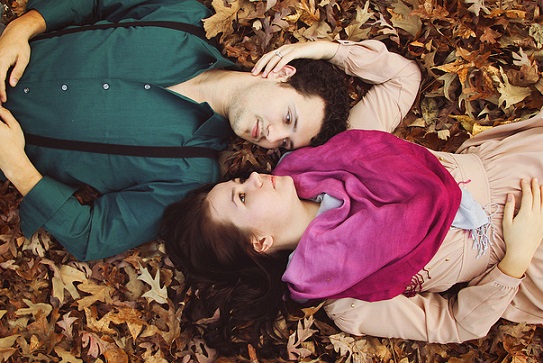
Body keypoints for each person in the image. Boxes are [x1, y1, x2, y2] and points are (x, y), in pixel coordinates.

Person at [161, 42, 543, 352]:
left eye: (241, 181)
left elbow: (400, 77)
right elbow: (456, 323)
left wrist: (321, 50)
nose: (257, 177)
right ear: (261, 243)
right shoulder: (348, 301)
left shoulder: (337, 152)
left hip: (522, 166)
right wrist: (515, 261)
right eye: (243, 197)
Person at [0, 0, 381, 261]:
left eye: (284, 142)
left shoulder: (189, 174)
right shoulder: (182, 16)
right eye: (288, 118)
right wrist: (22, 27)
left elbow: (93, 235)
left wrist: (16, 164)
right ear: (281, 73)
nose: (270, 135)